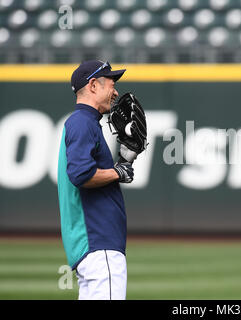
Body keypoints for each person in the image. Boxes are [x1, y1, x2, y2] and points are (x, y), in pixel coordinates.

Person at [57, 60, 135, 300]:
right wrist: (118, 172)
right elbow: (81, 175)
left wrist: (123, 165)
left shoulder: (84, 122)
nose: (116, 92)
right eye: (112, 84)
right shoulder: (82, 122)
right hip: (98, 243)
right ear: (93, 85)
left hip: (93, 245)